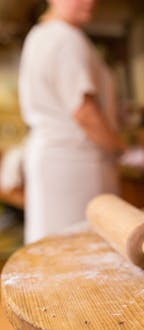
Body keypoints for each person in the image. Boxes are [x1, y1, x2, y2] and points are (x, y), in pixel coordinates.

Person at [18, 0, 127, 244]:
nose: (90, 1)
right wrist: (121, 150)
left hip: (54, 159)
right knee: (77, 248)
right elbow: (84, 111)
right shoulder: (65, 39)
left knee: (53, 249)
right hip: (75, 166)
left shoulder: (39, 35)